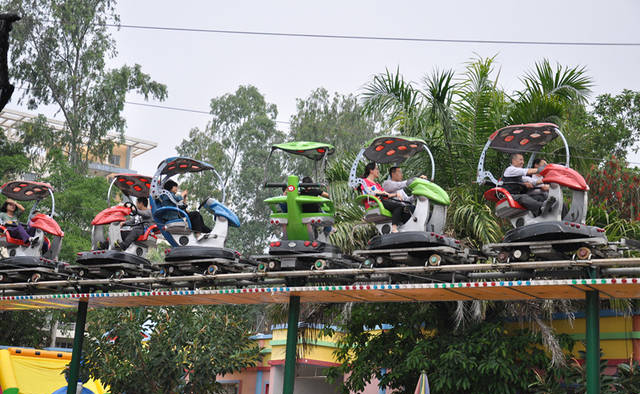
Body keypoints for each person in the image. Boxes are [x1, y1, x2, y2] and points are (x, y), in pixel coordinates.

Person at [360, 162, 412, 233]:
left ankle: (406, 229)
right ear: (371, 171)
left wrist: (396, 194)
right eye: (377, 169)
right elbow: (369, 191)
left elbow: (387, 194)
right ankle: (394, 229)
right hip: (374, 203)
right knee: (398, 206)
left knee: (404, 209)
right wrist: (381, 193)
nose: (378, 171)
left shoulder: (377, 184)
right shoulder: (365, 182)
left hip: (381, 202)